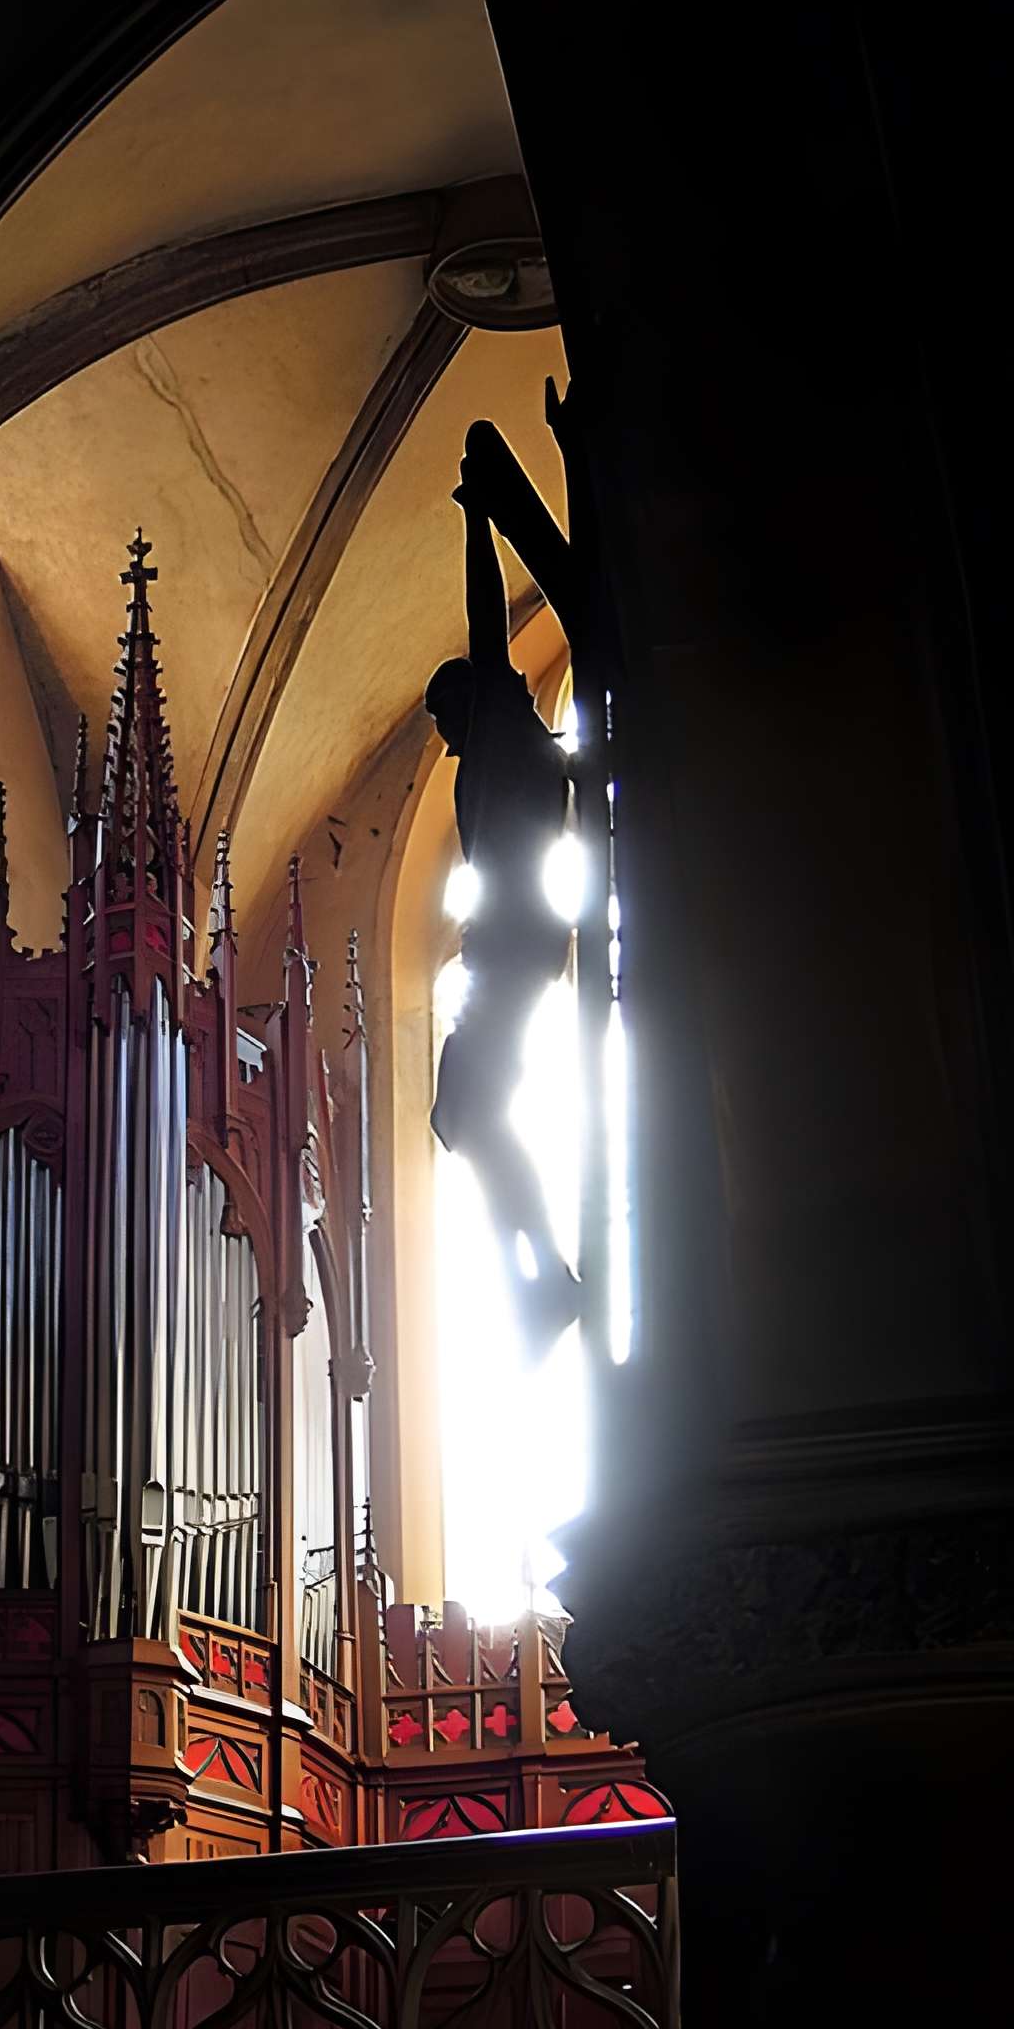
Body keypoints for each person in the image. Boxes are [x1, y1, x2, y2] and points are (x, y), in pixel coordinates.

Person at [426, 419, 579, 1362]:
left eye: (448, 714)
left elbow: (487, 626)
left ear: (475, 701)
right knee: (464, 1112)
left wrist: (480, 518)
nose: (445, 733)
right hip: (513, 948)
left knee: (465, 1109)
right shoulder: (524, 753)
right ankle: (541, 1282)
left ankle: (546, 1283)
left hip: (516, 944)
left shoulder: (507, 737)